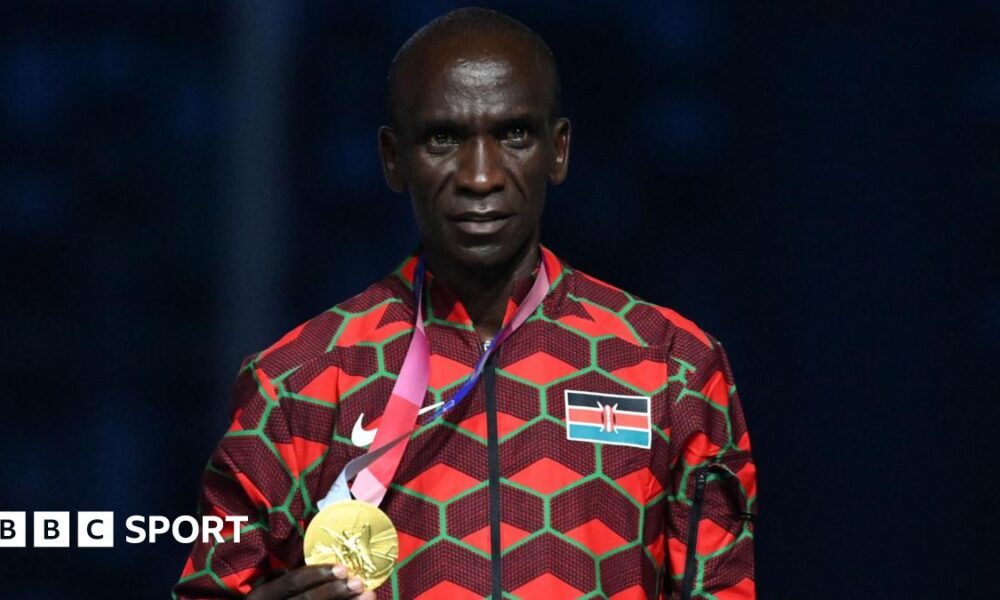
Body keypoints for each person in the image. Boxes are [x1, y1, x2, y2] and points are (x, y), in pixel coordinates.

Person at [174, 7, 756, 600]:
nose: (480, 176)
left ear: (558, 151)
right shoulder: (300, 381)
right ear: (393, 158)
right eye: (443, 138)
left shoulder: (671, 367)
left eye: (514, 135)